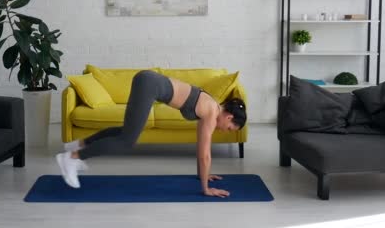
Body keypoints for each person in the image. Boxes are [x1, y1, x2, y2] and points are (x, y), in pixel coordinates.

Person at [56, 69, 247, 198]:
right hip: (149, 84)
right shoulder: (211, 112)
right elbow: (205, 154)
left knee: (125, 132)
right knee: (126, 141)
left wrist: (202, 175)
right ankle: (72, 157)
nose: (225, 131)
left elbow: (201, 148)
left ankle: (80, 145)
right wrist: (206, 189)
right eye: (230, 128)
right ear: (229, 117)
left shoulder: (211, 107)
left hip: (147, 81)